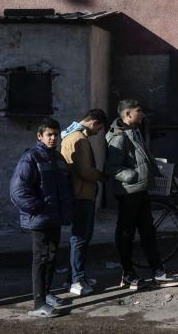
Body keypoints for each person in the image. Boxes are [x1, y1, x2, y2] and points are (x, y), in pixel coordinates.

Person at [105, 99, 178, 290]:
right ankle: (128, 274)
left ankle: (158, 272)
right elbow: (112, 167)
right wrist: (132, 176)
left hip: (140, 190)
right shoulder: (120, 137)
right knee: (126, 233)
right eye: (138, 111)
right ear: (127, 114)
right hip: (129, 192)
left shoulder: (134, 132)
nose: (142, 114)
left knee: (148, 231)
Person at [10, 118, 74, 318]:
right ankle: (38, 304)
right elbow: (18, 191)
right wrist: (38, 208)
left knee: (52, 256)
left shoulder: (57, 158)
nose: (53, 138)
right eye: (49, 134)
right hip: (40, 218)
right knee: (41, 259)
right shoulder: (31, 158)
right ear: (40, 136)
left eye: (56, 134)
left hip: (54, 217)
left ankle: (46, 294)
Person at [60, 108, 108, 296]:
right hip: (81, 195)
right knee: (80, 238)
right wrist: (102, 176)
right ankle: (77, 280)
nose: (97, 133)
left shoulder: (73, 135)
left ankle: (73, 277)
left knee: (80, 238)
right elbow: (85, 171)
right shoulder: (79, 139)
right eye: (99, 128)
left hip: (79, 193)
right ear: (95, 122)